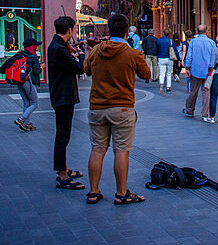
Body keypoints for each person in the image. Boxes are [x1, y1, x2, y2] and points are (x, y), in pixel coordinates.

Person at [84, 12, 150, 205]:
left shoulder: (97, 50)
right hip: (122, 107)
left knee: (97, 149)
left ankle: (93, 191)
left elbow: (86, 70)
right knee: (121, 150)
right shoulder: (132, 53)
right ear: (126, 32)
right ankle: (121, 193)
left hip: (97, 106)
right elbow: (146, 74)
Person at [47, 15, 86, 190]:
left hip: (61, 95)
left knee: (63, 134)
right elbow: (78, 68)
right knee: (63, 136)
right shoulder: (59, 49)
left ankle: (63, 168)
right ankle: (62, 173)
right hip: (63, 96)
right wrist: (82, 55)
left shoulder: (58, 46)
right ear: (69, 30)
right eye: (73, 30)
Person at [1, 36, 42, 131]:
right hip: (28, 81)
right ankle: (22, 119)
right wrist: (41, 67)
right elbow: (36, 72)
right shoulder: (33, 56)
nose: (38, 47)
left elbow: (6, 65)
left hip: (19, 81)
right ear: (32, 46)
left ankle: (26, 124)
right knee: (34, 103)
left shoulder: (20, 54)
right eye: (36, 45)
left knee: (26, 102)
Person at [182, 24, 215, 120]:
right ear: (206, 31)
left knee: (193, 91)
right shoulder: (211, 42)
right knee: (206, 92)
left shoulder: (193, 42)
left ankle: (189, 109)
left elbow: (189, 56)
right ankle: (205, 113)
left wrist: (187, 68)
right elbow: (213, 57)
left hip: (195, 70)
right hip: (208, 71)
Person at [156, 28, 178, 93]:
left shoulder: (159, 40)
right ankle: (168, 87)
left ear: (163, 33)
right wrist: (178, 59)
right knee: (168, 73)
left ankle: (161, 84)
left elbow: (156, 49)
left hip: (161, 57)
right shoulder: (171, 41)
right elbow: (175, 50)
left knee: (161, 73)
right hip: (169, 58)